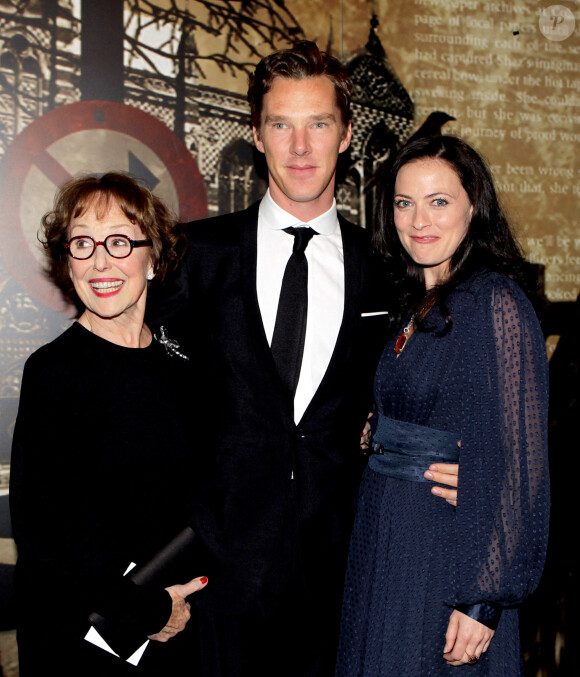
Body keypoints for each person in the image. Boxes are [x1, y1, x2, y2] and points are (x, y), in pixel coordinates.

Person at [148, 41, 459, 676]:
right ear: (256, 136)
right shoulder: (192, 257)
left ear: (346, 135)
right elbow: (144, 403)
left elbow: (431, 390)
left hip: (346, 579)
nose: (300, 147)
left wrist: (467, 468)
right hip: (214, 582)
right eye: (280, 125)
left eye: (318, 124)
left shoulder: (390, 271)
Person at [336, 135, 550, 675]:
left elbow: (522, 463)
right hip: (386, 537)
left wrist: (484, 600)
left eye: (439, 201)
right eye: (405, 202)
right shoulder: (412, 301)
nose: (418, 220)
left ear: (472, 206)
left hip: (442, 552)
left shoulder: (495, 300)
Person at [10, 173, 208, 676]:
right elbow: (43, 534)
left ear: (155, 256)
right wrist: (144, 609)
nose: (100, 261)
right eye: (82, 243)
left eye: (119, 241)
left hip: (176, 633)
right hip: (80, 640)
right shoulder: (53, 372)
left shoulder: (183, 371)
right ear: (67, 261)